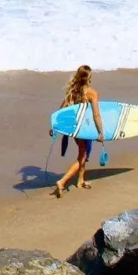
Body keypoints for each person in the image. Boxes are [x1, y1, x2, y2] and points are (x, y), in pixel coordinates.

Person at [52, 65, 103, 198]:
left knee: (83, 153)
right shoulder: (92, 93)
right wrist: (100, 132)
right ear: (89, 77)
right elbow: (96, 115)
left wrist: (55, 126)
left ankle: (80, 180)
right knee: (83, 156)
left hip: (74, 128)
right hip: (84, 128)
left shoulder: (73, 90)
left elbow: (62, 109)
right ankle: (62, 181)